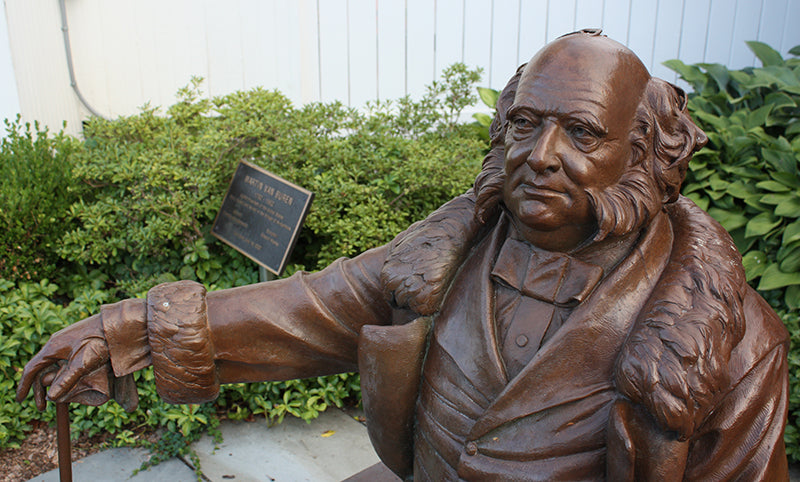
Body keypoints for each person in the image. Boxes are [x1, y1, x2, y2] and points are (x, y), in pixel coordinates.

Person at [17, 30, 789, 480]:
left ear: (642, 152)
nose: (541, 155)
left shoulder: (728, 344)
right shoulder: (442, 256)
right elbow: (305, 309)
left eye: (582, 133)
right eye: (526, 124)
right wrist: (125, 331)